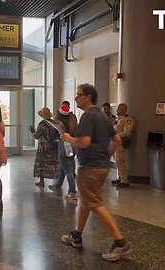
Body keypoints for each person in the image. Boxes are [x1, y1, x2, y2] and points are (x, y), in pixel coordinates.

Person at [60, 83, 131, 262]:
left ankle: (120, 243)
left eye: (79, 94)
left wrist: (69, 138)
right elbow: (116, 139)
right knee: (85, 202)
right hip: (101, 167)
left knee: (96, 205)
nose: (76, 98)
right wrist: (105, 157)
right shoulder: (103, 116)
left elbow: (84, 142)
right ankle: (76, 235)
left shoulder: (88, 116)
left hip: (90, 168)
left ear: (88, 97)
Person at [48, 104, 78, 201]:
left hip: (64, 145)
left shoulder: (59, 123)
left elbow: (54, 135)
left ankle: (73, 192)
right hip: (73, 144)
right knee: (63, 166)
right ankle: (58, 185)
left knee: (68, 170)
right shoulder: (73, 120)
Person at [29, 107, 59, 187]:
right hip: (53, 145)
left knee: (41, 163)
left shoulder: (42, 124)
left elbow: (37, 136)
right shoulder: (53, 123)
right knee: (53, 162)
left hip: (43, 146)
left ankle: (41, 181)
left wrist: (33, 131)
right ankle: (57, 182)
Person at [111, 103, 134, 188]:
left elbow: (126, 132)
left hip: (121, 143)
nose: (117, 110)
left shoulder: (128, 120)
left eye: (119, 109)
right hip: (115, 143)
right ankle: (120, 177)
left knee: (119, 160)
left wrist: (116, 136)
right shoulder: (118, 119)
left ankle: (124, 180)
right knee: (116, 161)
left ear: (124, 110)